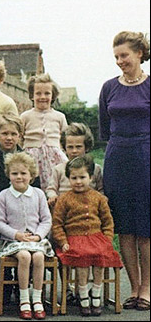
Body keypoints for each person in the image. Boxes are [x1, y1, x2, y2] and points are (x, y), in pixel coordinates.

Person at [98, 31, 150, 311]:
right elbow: (104, 128)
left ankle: (147, 288)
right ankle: (133, 287)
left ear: (139, 53)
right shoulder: (109, 87)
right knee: (125, 228)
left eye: (124, 55)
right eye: (116, 57)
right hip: (117, 158)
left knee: (146, 227)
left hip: (146, 157)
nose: (119, 61)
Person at [52, 155, 123, 317]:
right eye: (74, 178)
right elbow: (57, 224)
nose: (78, 181)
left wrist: (107, 239)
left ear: (90, 178)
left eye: (82, 177)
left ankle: (96, 293)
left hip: (96, 237)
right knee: (82, 257)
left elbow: (107, 221)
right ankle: (83, 295)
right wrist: (62, 241)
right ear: (68, 178)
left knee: (100, 255)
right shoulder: (64, 199)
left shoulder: (98, 198)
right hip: (74, 238)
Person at [0, 152, 54, 320]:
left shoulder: (39, 194)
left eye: (23, 173)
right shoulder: (4, 195)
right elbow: (0, 222)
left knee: (39, 257)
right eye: (15, 173)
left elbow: (46, 220)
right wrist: (16, 234)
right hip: (13, 241)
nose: (19, 177)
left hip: (35, 240)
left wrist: (38, 236)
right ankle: (24, 299)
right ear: (8, 175)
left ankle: (37, 299)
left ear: (31, 175)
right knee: (25, 256)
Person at [20, 73, 68, 188]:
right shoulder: (25, 116)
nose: (42, 97)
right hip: (32, 156)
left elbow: (65, 138)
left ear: (53, 95)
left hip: (54, 155)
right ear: (32, 95)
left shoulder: (59, 116)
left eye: (47, 93)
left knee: (57, 183)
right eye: (38, 93)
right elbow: (20, 137)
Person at [0, 113, 41, 206]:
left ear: (20, 136)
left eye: (13, 134)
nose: (9, 138)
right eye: (4, 134)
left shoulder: (27, 158)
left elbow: (34, 183)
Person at [46, 123, 103, 207]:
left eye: (78, 147)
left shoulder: (96, 168)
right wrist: (53, 196)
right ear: (64, 148)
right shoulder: (58, 169)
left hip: (89, 208)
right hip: (65, 209)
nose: (74, 151)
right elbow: (51, 189)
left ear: (86, 147)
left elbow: (101, 189)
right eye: (70, 147)